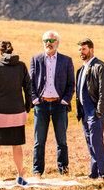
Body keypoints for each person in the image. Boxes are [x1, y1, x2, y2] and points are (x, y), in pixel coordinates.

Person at [0, 40, 33, 185]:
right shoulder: (21, 66)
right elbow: (28, 89)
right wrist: (27, 107)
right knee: (17, 145)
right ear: (12, 51)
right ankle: (20, 176)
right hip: (18, 111)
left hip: (0, 111)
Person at [29, 30, 75, 177]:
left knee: (61, 141)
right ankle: (37, 171)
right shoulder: (35, 60)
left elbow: (71, 84)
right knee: (39, 141)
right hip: (41, 105)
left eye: (51, 41)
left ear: (57, 43)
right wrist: (35, 99)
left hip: (59, 106)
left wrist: (64, 101)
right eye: (46, 41)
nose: (48, 43)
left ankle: (64, 170)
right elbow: (30, 83)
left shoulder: (66, 60)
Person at [75, 38, 104, 180]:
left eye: (84, 49)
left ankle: (103, 174)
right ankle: (94, 173)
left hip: (95, 113)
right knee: (90, 143)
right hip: (85, 112)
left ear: (91, 49)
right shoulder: (81, 69)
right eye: (79, 50)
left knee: (97, 143)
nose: (81, 52)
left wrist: (99, 112)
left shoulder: (99, 66)